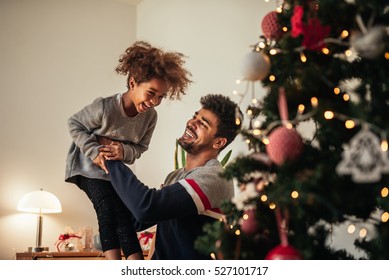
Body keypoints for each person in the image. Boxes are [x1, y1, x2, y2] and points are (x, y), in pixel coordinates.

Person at [65, 41, 192, 260]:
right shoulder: (105, 108)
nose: (154, 101)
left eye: (161, 97)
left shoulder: (150, 117)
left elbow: (140, 147)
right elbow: (74, 123)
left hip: (114, 171)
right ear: (133, 83)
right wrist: (94, 151)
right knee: (106, 210)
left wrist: (123, 151)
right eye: (151, 93)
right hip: (87, 167)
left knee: (124, 215)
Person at [99, 94, 243, 259]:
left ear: (218, 142)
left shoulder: (216, 178)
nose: (191, 123)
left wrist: (109, 155)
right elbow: (136, 221)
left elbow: (147, 208)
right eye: (195, 117)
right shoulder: (175, 177)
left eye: (203, 124)